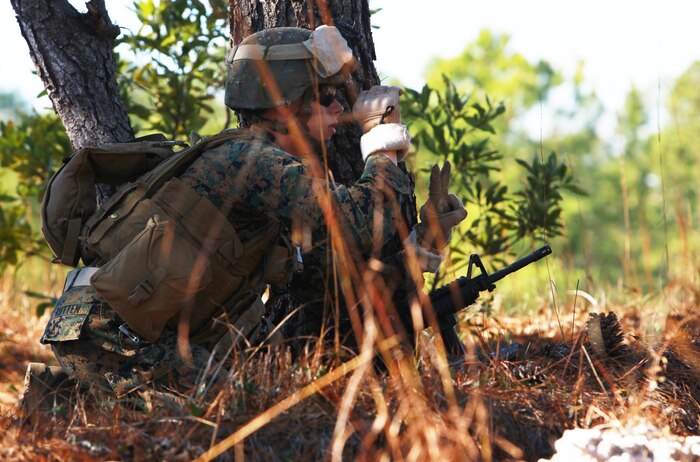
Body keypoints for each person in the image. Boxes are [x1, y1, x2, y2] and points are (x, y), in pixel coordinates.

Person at [31, 25, 462, 399]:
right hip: (108, 340)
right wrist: (383, 143)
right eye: (326, 96)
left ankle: (68, 397)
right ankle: (67, 398)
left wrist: (422, 245)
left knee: (261, 401)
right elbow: (353, 223)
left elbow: (326, 285)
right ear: (282, 105)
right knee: (246, 415)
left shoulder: (268, 173)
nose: (340, 110)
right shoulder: (249, 160)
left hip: (126, 336)